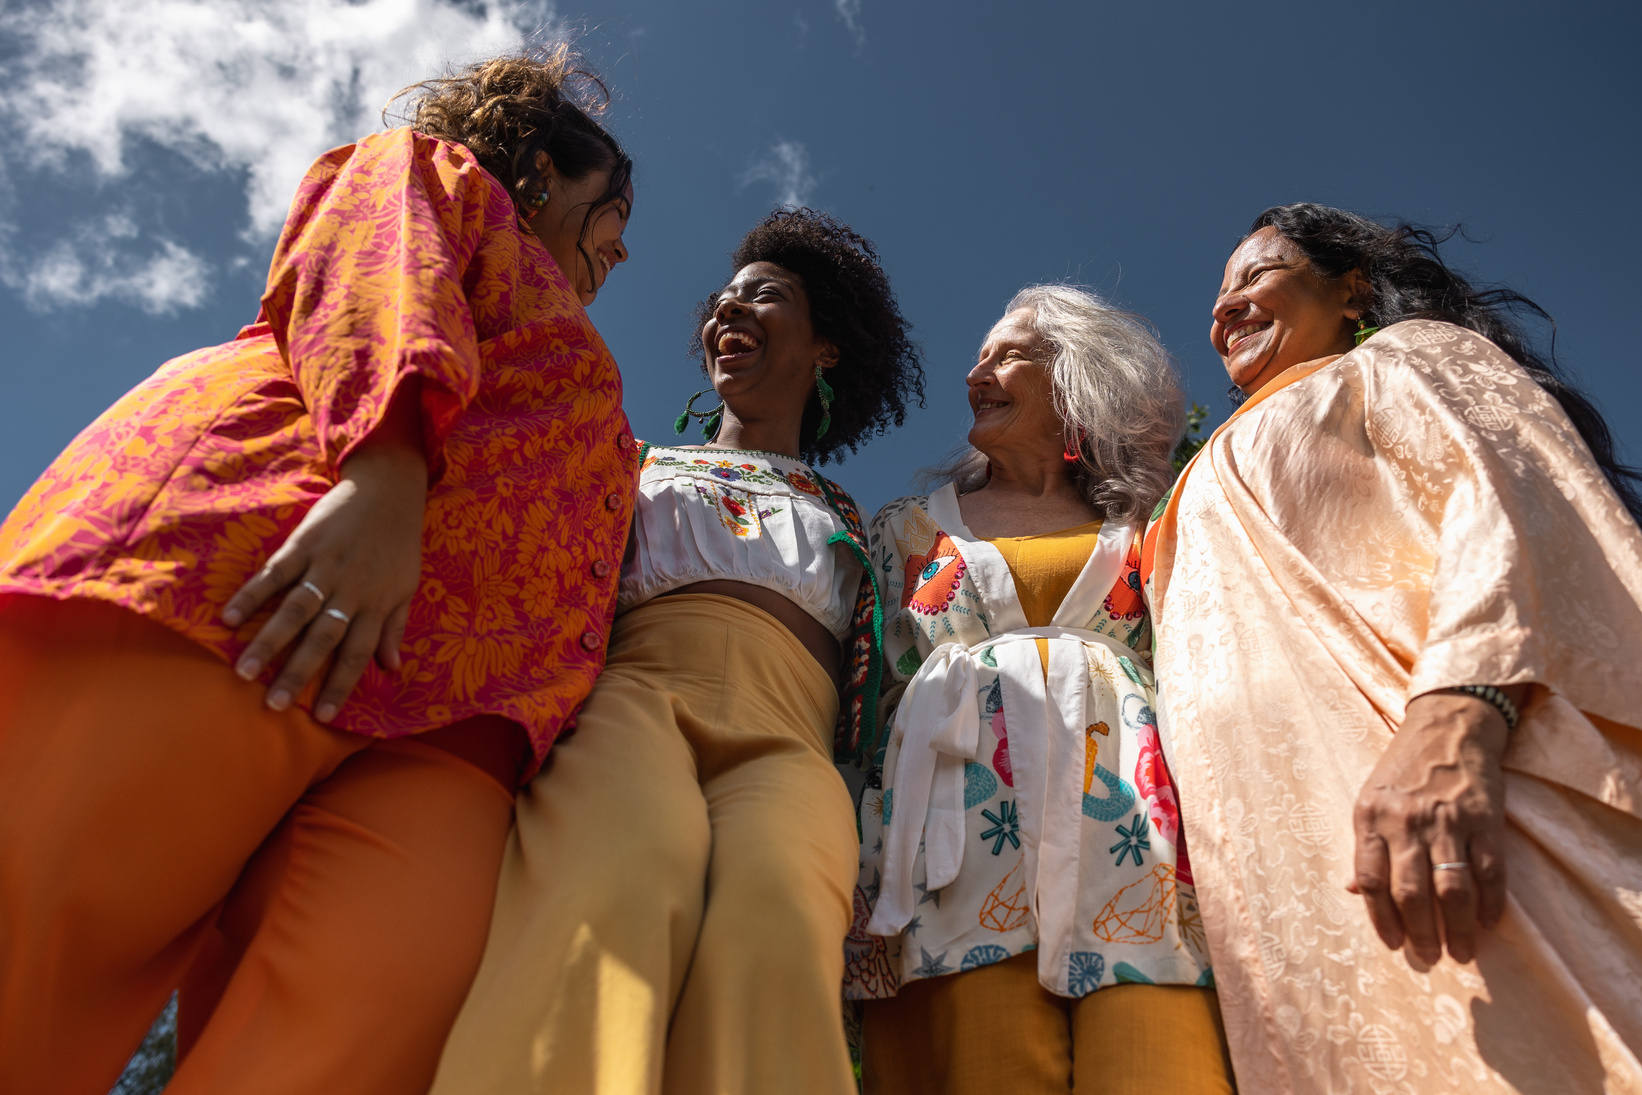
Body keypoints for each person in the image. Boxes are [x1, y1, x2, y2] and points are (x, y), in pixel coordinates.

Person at [0, 47, 636, 1095]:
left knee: (367, 1019)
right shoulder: (438, 176)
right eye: (610, 213)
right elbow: (374, 278)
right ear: (538, 170)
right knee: (41, 926)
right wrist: (386, 475)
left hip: (457, 729)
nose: (619, 253)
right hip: (261, 569)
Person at [1145, 202, 1642, 1093]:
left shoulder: (1398, 360)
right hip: (1285, 898)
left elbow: (1514, 501)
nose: (1223, 310)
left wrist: (1458, 716)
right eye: (1217, 297)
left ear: (1352, 290)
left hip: (1451, 791)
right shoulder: (1198, 471)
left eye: (1253, 277)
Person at [427, 208, 924, 1095]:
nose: (728, 312)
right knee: (613, 876)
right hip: (634, 699)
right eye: (721, 302)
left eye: (763, 297)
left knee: (774, 922)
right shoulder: (632, 466)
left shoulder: (865, 525)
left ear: (826, 351)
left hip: (796, 746)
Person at [849, 285, 1235, 1094]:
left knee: (1164, 1066)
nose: (974, 373)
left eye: (1005, 354)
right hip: (951, 865)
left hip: (1137, 858)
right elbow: (869, 708)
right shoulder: (908, 529)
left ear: (1077, 378)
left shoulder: (1152, 531)